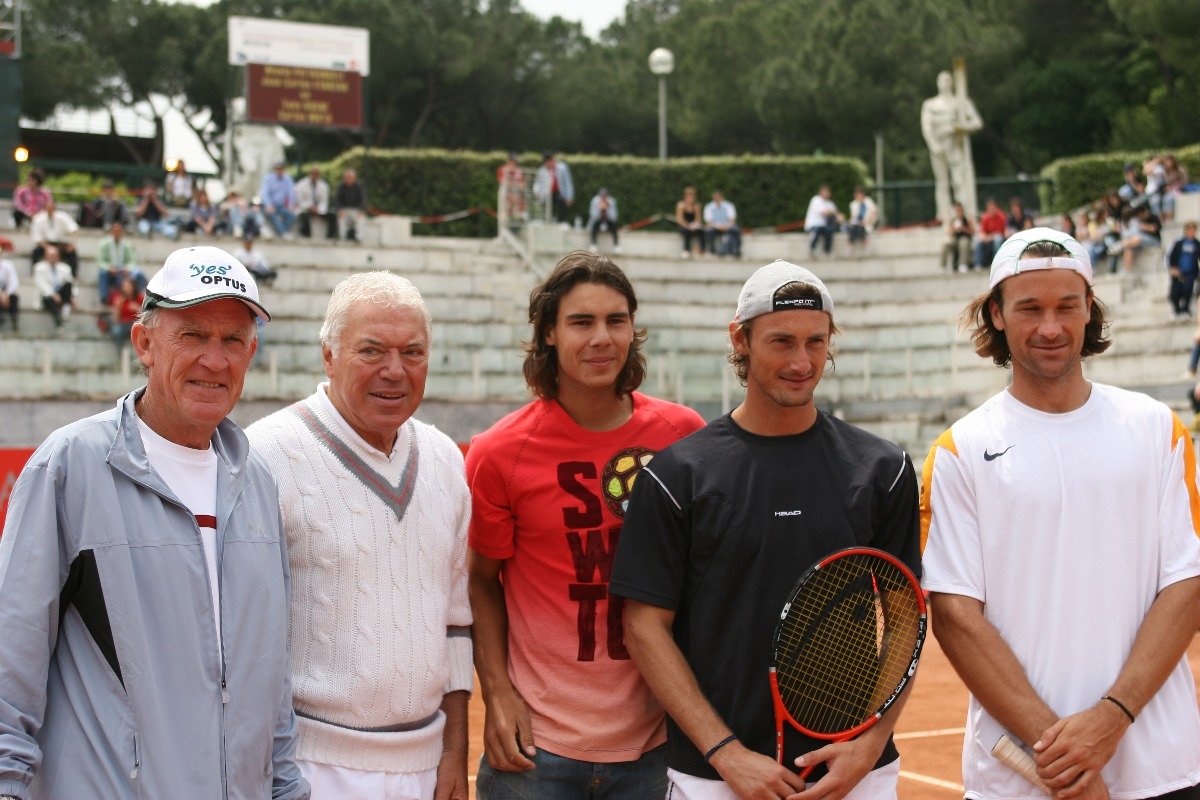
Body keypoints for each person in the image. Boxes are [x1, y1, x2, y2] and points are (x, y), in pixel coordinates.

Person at [0, 245, 310, 800]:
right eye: (192, 334)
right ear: (144, 343)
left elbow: (270, 680)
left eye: (232, 340)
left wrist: (287, 789)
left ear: (251, 352)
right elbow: (9, 663)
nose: (215, 360)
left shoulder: (257, 481)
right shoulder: (70, 466)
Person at [611, 259, 920, 800]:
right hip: (715, 776)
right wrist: (726, 753)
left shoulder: (882, 467)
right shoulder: (676, 476)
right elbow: (644, 628)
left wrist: (870, 744)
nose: (802, 362)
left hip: (855, 772)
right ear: (741, 338)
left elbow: (905, 619)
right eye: (782, 341)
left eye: (816, 342)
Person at [921, 227, 1200, 800]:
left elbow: (1186, 584)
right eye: (1030, 308)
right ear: (997, 314)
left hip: (1162, 769)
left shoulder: (1156, 428)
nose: (1050, 327)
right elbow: (954, 615)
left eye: (1067, 307)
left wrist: (1110, 720)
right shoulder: (960, 449)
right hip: (1023, 780)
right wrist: (1062, 754)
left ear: (1088, 311)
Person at [466, 251, 705, 799]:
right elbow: (481, 579)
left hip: (660, 743)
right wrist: (498, 692)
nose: (602, 338)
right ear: (548, 333)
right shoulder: (500, 453)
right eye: (581, 322)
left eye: (615, 320)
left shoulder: (683, 436)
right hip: (536, 753)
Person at [248, 272, 473, 800]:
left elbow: (456, 621)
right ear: (328, 356)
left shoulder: (444, 460)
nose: (394, 371)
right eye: (371, 351)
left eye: (412, 352)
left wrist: (455, 751)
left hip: (426, 764)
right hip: (306, 764)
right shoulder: (265, 456)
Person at [921, 69, 983, 224]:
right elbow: (926, 127)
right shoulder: (930, 104)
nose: (945, 84)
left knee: (959, 181)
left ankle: (963, 213)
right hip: (939, 147)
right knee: (942, 182)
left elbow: (977, 123)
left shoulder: (960, 102)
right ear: (937, 83)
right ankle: (943, 214)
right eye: (942, 80)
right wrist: (933, 145)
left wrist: (959, 127)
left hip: (955, 145)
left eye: (948, 80)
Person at [96, 220, 146, 305]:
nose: (117, 233)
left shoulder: (127, 245)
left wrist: (127, 268)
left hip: (123, 271)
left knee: (139, 274)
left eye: (119, 231)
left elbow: (132, 261)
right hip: (110, 272)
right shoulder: (104, 244)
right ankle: (104, 298)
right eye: (115, 231)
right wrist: (109, 268)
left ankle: (138, 296)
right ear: (111, 232)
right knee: (102, 272)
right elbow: (100, 261)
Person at [29, 198, 79, 278]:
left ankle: (73, 275)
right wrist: (47, 248)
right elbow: (37, 238)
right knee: (36, 251)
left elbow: (73, 230)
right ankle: (34, 273)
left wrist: (72, 243)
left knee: (72, 252)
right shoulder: (38, 219)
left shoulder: (63, 216)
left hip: (62, 245)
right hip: (45, 245)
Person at [33, 245, 74, 328]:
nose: (52, 258)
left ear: (58, 256)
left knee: (68, 285)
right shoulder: (39, 268)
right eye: (50, 256)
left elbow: (71, 283)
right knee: (47, 298)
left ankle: (66, 308)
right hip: (47, 296)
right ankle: (58, 318)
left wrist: (73, 297)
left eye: (54, 256)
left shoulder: (65, 268)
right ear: (46, 256)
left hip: (61, 295)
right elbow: (41, 284)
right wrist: (53, 294)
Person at [1167, 222, 1200, 320]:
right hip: (1177, 272)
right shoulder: (1177, 243)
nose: (1191, 232)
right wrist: (1171, 268)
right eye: (1189, 229)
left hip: (1190, 273)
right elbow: (1168, 256)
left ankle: (1186, 309)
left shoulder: (1197, 244)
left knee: (1188, 289)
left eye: (1193, 229)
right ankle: (1176, 310)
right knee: (1175, 292)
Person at [532, 151, 574, 224]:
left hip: (559, 192)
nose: (547, 164)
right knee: (544, 205)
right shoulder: (542, 170)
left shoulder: (562, 168)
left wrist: (569, 197)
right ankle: (545, 221)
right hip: (547, 193)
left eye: (549, 161)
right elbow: (537, 183)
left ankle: (561, 222)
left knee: (562, 203)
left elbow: (568, 183)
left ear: (552, 160)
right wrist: (537, 191)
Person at [295, 167, 336, 240]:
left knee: (332, 216)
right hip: (306, 208)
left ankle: (330, 237)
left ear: (319, 175)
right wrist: (310, 207)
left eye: (316, 174)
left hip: (319, 209)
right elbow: (299, 200)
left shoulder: (324, 186)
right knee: (304, 216)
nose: (314, 176)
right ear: (310, 174)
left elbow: (324, 201)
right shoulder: (301, 185)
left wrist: (318, 209)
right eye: (313, 174)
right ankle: (306, 236)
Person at [105, 274, 143, 350]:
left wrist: (138, 309)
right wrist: (117, 308)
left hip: (136, 323)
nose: (125, 288)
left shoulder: (139, 297)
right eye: (124, 286)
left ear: (133, 287)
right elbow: (116, 319)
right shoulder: (119, 299)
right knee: (116, 331)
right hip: (123, 324)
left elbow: (146, 315)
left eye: (128, 286)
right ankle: (120, 351)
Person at [261, 161, 298, 238]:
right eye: (277, 169)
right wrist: (269, 205)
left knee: (292, 215)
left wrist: (291, 205)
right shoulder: (268, 178)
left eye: (281, 169)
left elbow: (291, 193)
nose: (279, 171)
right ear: (274, 170)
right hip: (271, 205)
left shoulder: (288, 179)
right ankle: (283, 233)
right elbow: (265, 194)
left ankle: (281, 232)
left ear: (284, 170)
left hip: (282, 206)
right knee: (273, 214)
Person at [804, 184, 842, 256]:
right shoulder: (815, 200)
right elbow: (824, 212)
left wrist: (839, 217)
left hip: (824, 226)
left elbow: (837, 215)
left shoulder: (830, 203)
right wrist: (834, 213)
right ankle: (812, 250)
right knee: (816, 230)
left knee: (830, 230)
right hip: (813, 225)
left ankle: (827, 252)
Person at [703, 191, 742, 258]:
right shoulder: (708, 207)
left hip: (727, 226)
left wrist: (725, 226)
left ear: (722, 197)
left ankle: (736, 251)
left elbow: (732, 220)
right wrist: (718, 226)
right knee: (708, 231)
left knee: (736, 230)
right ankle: (712, 251)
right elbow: (708, 222)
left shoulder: (729, 205)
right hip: (714, 227)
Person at [334, 169, 368, 242]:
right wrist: (339, 210)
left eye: (350, 178)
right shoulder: (340, 186)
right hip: (344, 210)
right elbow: (337, 200)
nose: (348, 179)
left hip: (356, 210)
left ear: (354, 178)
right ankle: (342, 238)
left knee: (361, 219)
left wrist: (361, 210)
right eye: (347, 178)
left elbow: (363, 200)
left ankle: (359, 238)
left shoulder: (359, 186)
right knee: (341, 218)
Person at [496, 152, 527, 226]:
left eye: (515, 161)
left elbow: (523, 183)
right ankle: (505, 226)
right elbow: (502, 181)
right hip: (505, 194)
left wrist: (520, 186)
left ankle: (520, 222)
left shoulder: (519, 171)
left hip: (516, 194)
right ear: (509, 161)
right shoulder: (502, 169)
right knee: (505, 211)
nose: (514, 163)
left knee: (521, 205)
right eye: (512, 161)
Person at [975, 198, 1007, 269]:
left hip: (998, 239)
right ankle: (978, 264)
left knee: (997, 239)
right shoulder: (985, 217)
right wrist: (984, 237)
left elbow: (999, 233)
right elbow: (982, 232)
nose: (991, 210)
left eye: (993, 208)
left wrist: (988, 237)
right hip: (988, 238)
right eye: (990, 208)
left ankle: (995, 262)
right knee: (978, 241)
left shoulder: (1001, 217)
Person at [944, 202, 975, 272]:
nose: (959, 212)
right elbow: (950, 233)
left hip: (965, 239)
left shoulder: (967, 220)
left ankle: (962, 264)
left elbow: (973, 232)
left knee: (964, 242)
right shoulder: (953, 220)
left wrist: (964, 229)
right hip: (955, 240)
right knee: (946, 244)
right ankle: (943, 266)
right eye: (957, 210)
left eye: (960, 210)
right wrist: (955, 229)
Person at [675, 186, 705, 258]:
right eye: (688, 196)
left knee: (702, 231)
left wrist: (694, 225)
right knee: (686, 231)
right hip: (684, 226)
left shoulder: (696, 206)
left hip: (693, 226)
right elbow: (679, 219)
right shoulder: (681, 205)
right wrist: (688, 226)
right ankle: (686, 250)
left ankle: (702, 250)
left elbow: (698, 219)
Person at [587, 187, 620, 251]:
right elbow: (592, 215)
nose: (603, 197)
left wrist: (608, 209)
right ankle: (593, 244)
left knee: (614, 225)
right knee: (595, 224)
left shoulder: (612, 201)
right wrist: (600, 210)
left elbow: (614, 217)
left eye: (605, 196)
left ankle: (616, 245)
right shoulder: (595, 201)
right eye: (602, 196)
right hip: (598, 221)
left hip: (608, 222)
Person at [846, 186, 878, 250]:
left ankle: (853, 245)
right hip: (857, 224)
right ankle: (860, 243)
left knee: (858, 228)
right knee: (855, 227)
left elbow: (873, 213)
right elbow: (853, 217)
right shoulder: (853, 204)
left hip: (867, 223)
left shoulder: (868, 201)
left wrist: (866, 222)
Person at [0, 238, 19, 333]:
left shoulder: (8, 265)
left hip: (6, 293)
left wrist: (6, 294)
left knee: (14, 297)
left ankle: (14, 321)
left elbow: (14, 281)